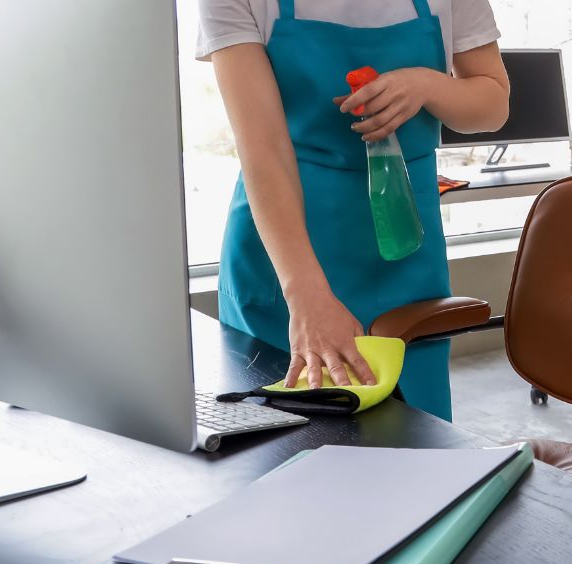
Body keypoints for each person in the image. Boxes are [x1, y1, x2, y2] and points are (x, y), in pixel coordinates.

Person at [198, 0, 509, 421]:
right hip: (285, 259)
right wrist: (306, 297)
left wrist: (425, 85)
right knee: (280, 455)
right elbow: (263, 148)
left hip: (403, 250)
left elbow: (493, 104)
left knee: (416, 450)